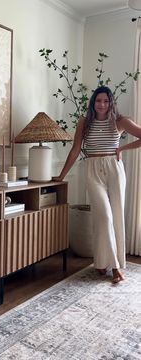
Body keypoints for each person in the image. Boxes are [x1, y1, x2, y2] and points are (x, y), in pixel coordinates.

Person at [53, 86, 141, 283]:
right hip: (92, 169)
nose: (102, 104)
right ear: (93, 102)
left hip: (114, 168)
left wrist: (123, 148)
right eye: (98, 100)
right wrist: (61, 175)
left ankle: (106, 263)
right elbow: (75, 150)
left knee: (116, 215)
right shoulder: (84, 123)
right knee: (103, 216)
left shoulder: (120, 121)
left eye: (106, 101)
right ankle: (112, 266)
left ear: (111, 103)